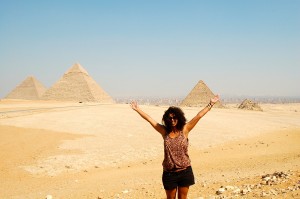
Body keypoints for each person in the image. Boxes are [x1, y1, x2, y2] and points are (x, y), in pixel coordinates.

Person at [130, 95, 220, 199]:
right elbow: (150, 119)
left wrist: (211, 104)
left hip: (185, 171)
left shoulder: (185, 130)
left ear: (179, 117)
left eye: (174, 117)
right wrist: (137, 109)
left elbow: (198, 116)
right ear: (167, 119)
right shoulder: (164, 132)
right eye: (170, 118)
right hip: (169, 173)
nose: (172, 120)